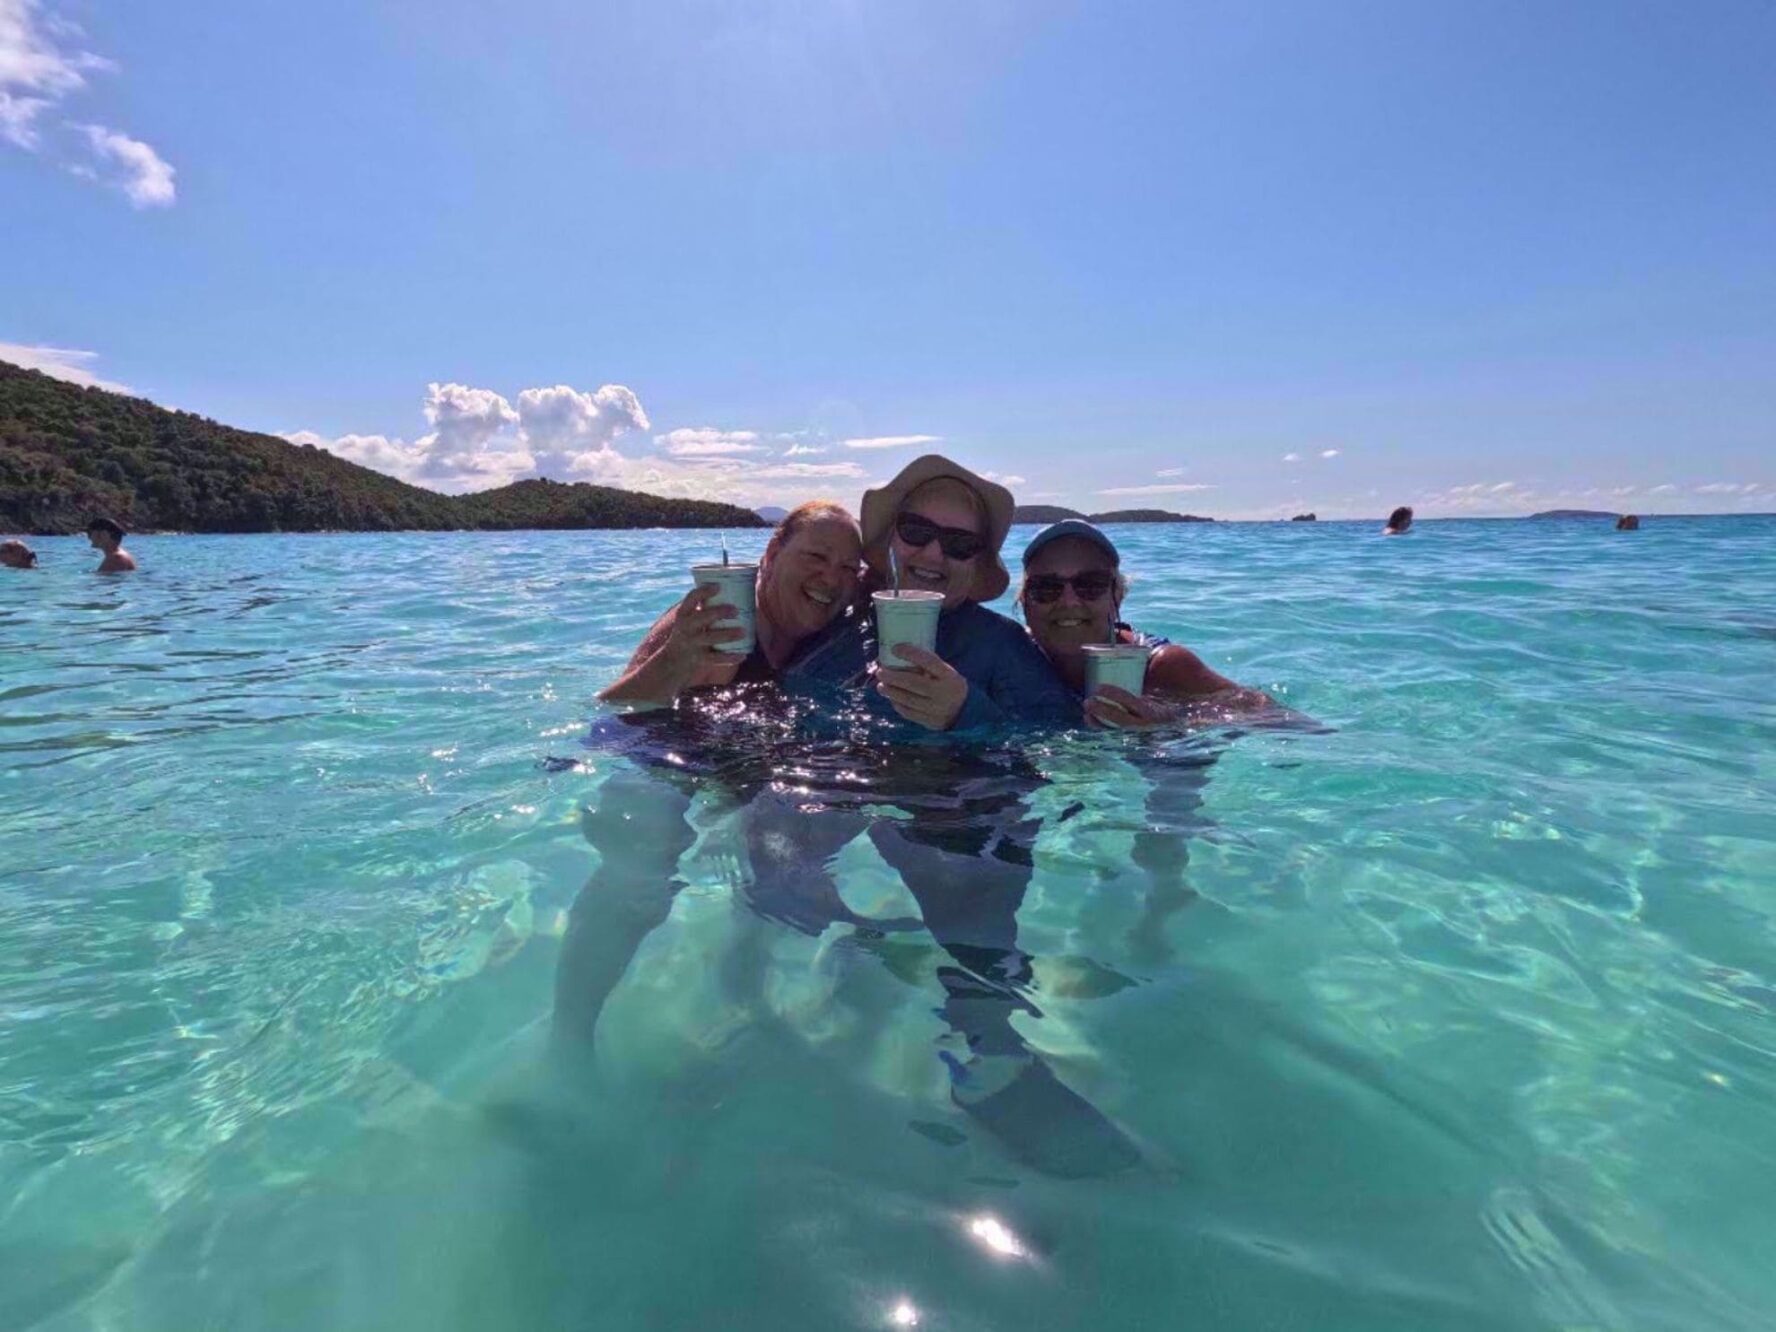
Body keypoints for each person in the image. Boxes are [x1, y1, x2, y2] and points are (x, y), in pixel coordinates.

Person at [782, 455, 1079, 731]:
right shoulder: (838, 619)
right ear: (891, 540)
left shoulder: (1004, 646)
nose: (934, 554)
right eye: (916, 530)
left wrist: (965, 713)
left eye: (960, 543)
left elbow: (1065, 752)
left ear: (976, 563)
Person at [599, 501, 865, 706]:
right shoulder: (710, 622)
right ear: (773, 554)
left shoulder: (839, 635)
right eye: (816, 556)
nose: (831, 579)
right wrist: (673, 659)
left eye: (848, 568)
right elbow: (610, 714)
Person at [1018, 519, 1272, 730]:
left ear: (1117, 595)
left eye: (1090, 584)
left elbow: (1277, 718)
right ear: (1023, 601)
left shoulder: (1160, 667)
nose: (1069, 601)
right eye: (1046, 588)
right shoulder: (1010, 655)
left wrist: (1173, 721)